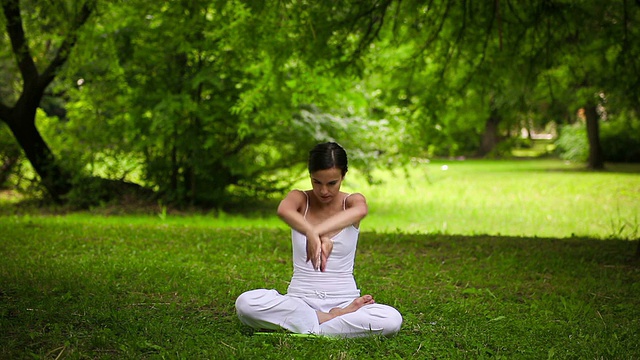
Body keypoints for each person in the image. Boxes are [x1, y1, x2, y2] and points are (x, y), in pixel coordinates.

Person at [235, 142, 402, 337]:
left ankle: (304, 325)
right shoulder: (300, 199)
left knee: (391, 320)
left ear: (343, 176)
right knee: (246, 304)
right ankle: (330, 320)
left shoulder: (352, 202)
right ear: (310, 176)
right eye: (317, 182)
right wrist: (311, 232)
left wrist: (317, 232)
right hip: (299, 301)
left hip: (344, 300)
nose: (324, 191)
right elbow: (283, 210)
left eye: (332, 183)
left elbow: (361, 210)